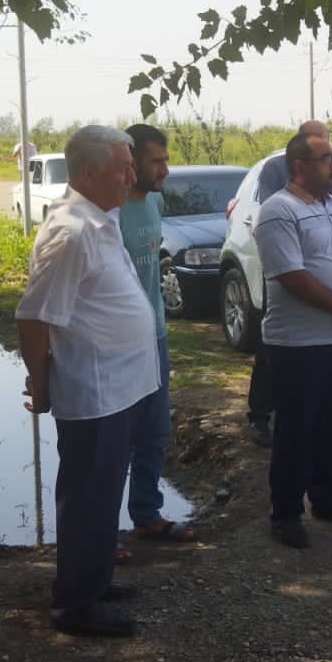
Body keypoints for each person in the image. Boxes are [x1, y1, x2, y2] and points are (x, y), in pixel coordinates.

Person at [16, 126, 160, 635]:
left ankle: (93, 580)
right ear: (87, 172)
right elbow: (34, 318)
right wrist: (41, 383)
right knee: (87, 498)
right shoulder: (71, 232)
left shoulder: (101, 219)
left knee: (103, 494)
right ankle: (75, 606)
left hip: (120, 388)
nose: (132, 176)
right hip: (96, 392)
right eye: (123, 167)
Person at [257, 132, 332, 548]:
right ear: (299, 166)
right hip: (297, 344)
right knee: (296, 430)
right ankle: (286, 514)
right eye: (326, 158)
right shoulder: (278, 210)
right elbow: (292, 276)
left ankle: (328, 499)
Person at [245, 118, 332, 448]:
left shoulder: (331, 173)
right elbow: (281, 210)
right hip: (286, 264)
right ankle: (260, 414)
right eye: (321, 147)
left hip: (321, 265)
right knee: (271, 343)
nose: (330, 159)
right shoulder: (275, 169)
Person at [121, 123, 195, 542]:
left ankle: (146, 513)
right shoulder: (111, 211)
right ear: (129, 161)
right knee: (115, 439)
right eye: (157, 161)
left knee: (155, 431)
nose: (165, 169)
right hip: (119, 344)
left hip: (157, 337)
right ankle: (98, 533)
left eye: (166, 160)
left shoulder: (153, 201)